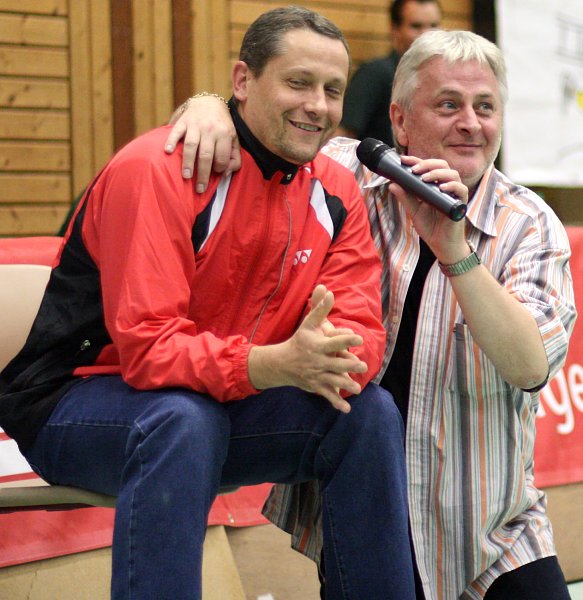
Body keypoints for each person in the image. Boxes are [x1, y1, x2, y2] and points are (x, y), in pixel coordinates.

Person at [0, 7, 418, 600]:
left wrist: (334, 356)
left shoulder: (337, 189)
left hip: (218, 406)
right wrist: (269, 364)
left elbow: (359, 332)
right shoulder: (158, 169)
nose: (318, 106)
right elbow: (147, 351)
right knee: (180, 419)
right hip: (75, 401)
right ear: (243, 82)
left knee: (367, 413)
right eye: (298, 83)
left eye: (332, 90)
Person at [164, 29, 577, 600]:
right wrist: (208, 105)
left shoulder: (530, 223)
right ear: (400, 121)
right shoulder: (342, 176)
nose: (470, 123)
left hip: (494, 539)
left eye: (486, 107)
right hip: (365, 525)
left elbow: (531, 365)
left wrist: (455, 252)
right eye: (448, 104)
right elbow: (267, 120)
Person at [336, 0, 442, 144]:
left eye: (434, 26)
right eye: (416, 26)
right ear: (395, 29)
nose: (427, 34)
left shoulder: (442, 79)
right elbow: (341, 139)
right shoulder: (375, 73)